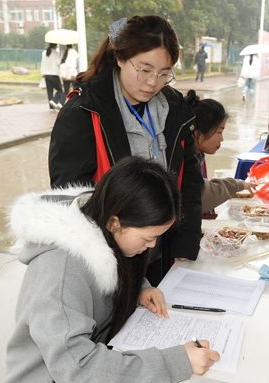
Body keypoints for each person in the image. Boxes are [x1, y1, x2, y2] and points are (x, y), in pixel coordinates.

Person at [2, 157, 220, 383]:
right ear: (115, 223)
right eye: (148, 238)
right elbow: (79, 371)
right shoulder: (59, 273)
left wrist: (139, 288)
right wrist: (178, 362)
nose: (152, 246)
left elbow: (110, 271)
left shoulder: (103, 231)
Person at [48, 16, 203, 286]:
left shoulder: (174, 109)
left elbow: (189, 181)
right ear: (120, 57)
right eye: (144, 69)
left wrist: (184, 245)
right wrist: (127, 278)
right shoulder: (83, 112)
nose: (153, 82)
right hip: (109, 264)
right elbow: (72, 200)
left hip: (161, 253)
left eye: (164, 73)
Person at [183, 89, 257, 215]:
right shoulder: (184, 160)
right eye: (219, 132)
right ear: (197, 133)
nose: (221, 139)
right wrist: (236, 185)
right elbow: (201, 196)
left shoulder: (198, 155)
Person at [40, 43, 64, 110]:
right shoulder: (56, 53)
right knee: (60, 91)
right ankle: (54, 100)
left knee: (49, 91)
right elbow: (59, 63)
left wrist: (42, 73)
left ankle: (51, 106)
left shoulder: (44, 53)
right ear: (55, 45)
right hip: (54, 74)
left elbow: (42, 63)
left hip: (46, 74)